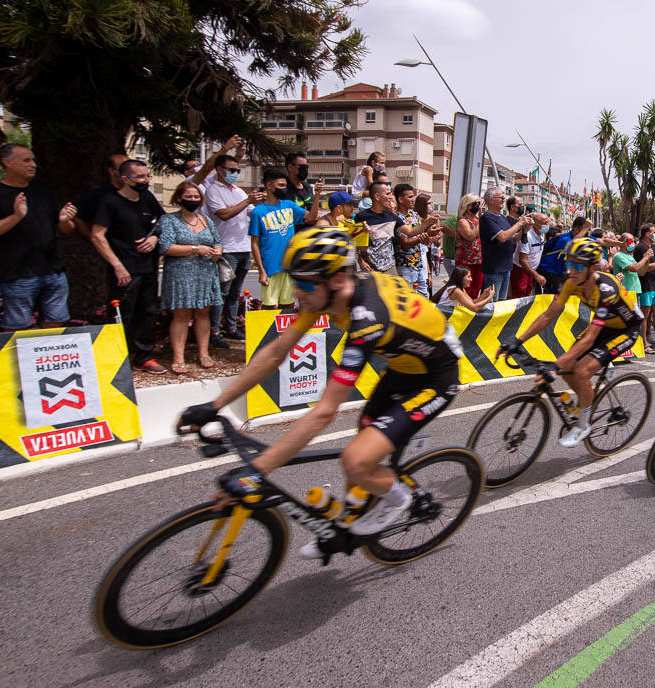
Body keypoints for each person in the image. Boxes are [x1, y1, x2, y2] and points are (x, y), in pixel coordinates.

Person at [178, 227, 464, 560]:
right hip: (404, 369)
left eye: (305, 283)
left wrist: (257, 471)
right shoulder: (326, 294)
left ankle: (401, 499)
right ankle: (349, 518)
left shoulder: (367, 319)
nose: (298, 292)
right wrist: (214, 405)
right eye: (295, 280)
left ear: (338, 279)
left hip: (437, 379)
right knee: (364, 445)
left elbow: (325, 411)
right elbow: (275, 353)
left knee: (355, 459)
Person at [499, 238, 644, 447]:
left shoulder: (606, 289)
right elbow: (549, 315)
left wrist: (555, 367)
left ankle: (583, 424)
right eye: (569, 264)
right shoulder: (571, 283)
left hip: (626, 329)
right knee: (567, 368)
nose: (571, 270)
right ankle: (585, 399)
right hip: (605, 326)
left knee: (580, 371)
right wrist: (517, 340)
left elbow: (590, 338)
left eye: (577, 266)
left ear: (593, 267)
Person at [0, 143, 77, 331]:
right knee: (17, 327)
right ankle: (19, 361)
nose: (33, 164)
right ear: (7, 162)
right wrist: (16, 217)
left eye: (33, 160)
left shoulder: (43, 192)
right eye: (26, 160)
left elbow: (67, 229)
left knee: (55, 322)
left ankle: (49, 359)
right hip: (18, 273)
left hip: (53, 271)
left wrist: (64, 220)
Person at [90, 160, 165, 373]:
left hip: (148, 267)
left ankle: (144, 357)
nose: (146, 181)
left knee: (147, 312)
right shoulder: (110, 202)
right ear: (125, 179)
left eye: (147, 176)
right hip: (124, 269)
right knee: (122, 313)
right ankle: (115, 359)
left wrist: (155, 238)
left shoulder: (148, 198)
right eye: (140, 177)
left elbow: (163, 222)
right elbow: (97, 235)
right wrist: (117, 265)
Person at [158, 182, 223, 373]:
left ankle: (204, 354)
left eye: (196, 197)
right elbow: (166, 247)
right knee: (181, 315)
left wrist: (218, 249)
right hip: (180, 274)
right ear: (178, 198)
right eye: (189, 197)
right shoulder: (168, 220)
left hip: (205, 273)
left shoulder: (206, 221)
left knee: (203, 313)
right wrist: (195, 249)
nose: (193, 200)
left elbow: (217, 241)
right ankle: (178, 358)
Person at [203, 148, 265, 346]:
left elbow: (251, 212)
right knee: (221, 292)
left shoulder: (238, 191)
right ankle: (214, 332)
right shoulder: (213, 190)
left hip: (243, 247)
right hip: (225, 249)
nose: (235, 174)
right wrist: (247, 200)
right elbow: (223, 214)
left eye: (237, 171)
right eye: (231, 170)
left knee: (234, 293)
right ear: (219, 170)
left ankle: (230, 328)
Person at [249, 167, 320, 310]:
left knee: (288, 306)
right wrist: (261, 270)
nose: (285, 189)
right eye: (281, 186)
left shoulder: (289, 205)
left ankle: (284, 333)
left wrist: (317, 195)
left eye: (286, 186)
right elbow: (254, 244)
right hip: (270, 268)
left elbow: (311, 217)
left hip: (289, 266)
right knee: (268, 306)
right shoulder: (258, 212)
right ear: (269, 186)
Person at [478, 187, 529, 301]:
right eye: (501, 197)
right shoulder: (487, 218)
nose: (503, 200)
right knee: (491, 303)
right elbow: (503, 237)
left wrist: (525, 229)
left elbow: (513, 239)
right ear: (491, 200)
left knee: (502, 302)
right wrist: (520, 223)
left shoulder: (501, 217)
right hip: (494, 269)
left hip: (506, 267)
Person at [391, 183, 443, 296]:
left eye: (413, 196)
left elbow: (421, 239)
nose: (413, 199)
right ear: (400, 199)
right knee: (407, 299)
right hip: (405, 266)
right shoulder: (396, 217)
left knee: (424, 297)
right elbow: (405, 244)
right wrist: (423, 236)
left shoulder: (414, 215)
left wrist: (430, 236)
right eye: (409, 197)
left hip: (419, 264)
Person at [511, 211, 549, 299]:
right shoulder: (527, 236)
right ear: (535, 224)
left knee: (528, 295)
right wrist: (537, 276)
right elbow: (522, 260)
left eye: (548, 222)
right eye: (545, 223)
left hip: (530, 270)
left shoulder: (541, 233)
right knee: (519, 297)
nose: (547, 225)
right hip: (521, 270)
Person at [454, 194, 484, 297]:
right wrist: (481, 220)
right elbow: (470, 236)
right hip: (466, 261)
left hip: (479, 260)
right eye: (475, 204)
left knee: (476, 290)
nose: (478, 206)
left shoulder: (477, 221)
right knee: (466, 290)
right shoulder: (463, 221)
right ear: (467, 206)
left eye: (479, 203)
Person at [282, 153, 318, 217]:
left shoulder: (307, 187)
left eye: (306, 167)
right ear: (290, 167)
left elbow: (312, 209)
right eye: (302, 167)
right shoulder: (282, 189)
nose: (305, 170)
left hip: (310, 225)